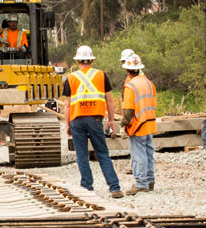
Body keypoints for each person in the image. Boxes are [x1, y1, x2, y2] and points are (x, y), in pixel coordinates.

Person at [63, 45, 124, 198]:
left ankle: (86, 188)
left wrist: (67, 124)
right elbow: (109, 100)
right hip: (95, 119)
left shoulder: (70, 78)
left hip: (77, 119)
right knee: (102, 153)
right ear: (91, 59)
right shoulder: (101, 75)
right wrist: (111, 120)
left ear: (77, 61)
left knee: (82, 155)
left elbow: (67, 105)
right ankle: (114, 187)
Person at [120, 54, 156, 195]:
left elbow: (128, 110)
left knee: (138, 155)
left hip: (138, 125)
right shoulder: (148, 82)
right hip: (149, 123)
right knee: (148, 153)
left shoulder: (130, 86)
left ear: (127, 70)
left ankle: (141, 183)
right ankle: (150, 181)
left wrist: (124, 123)